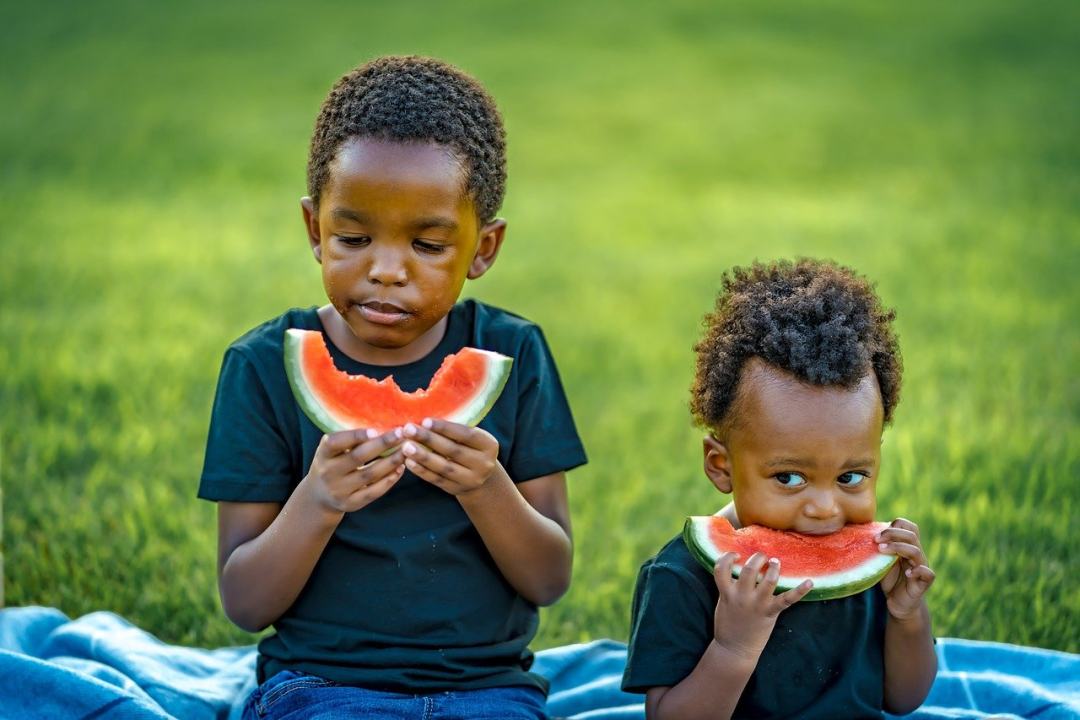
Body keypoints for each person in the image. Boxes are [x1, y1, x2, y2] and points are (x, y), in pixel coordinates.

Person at [197, 56, 587, 720]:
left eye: (428, 246)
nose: (385, 271)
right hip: (320, 687)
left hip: (488, 689)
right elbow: (245, 602)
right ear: (314, 230)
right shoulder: (262, 366)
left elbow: (548, 578)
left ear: (483, 248)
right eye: (353, 237)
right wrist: (318, 501)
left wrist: (485, 487)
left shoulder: (514, 354)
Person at [621, 259, 937, 719]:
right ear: (720, 466)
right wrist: (733, 646)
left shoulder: (874, 572)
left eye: (851, 476)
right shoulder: (679, 579)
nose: (825, 509)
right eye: (789, 478)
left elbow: (903, 699)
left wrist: (907, 616)